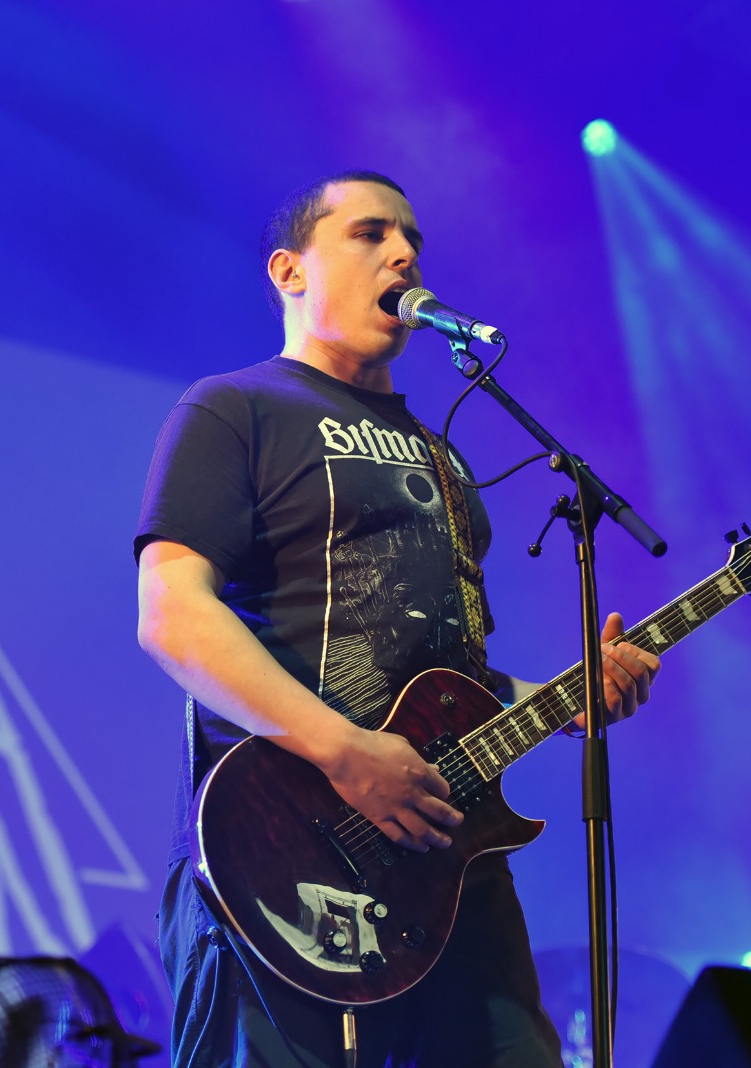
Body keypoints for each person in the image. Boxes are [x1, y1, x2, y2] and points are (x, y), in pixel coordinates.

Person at [134, 170, 661, 1068]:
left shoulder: (443, 461)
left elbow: (456, 679)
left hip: (446, 864)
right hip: (282, 857)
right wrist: (346, 751)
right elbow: (173, 614)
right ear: (289, 271)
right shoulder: (236, 408)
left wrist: (568, 696)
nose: (404, 252)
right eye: (370, 233)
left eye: (412, 237)